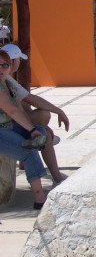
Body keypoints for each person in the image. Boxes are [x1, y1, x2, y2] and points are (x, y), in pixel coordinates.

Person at [2, 44, 68, 184]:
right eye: (19, 59)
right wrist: (34, 128)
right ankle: (57, 179)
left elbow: (26, 104)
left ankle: (53, 176)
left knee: (43, 128)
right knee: (44, 117)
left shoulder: (8, 79)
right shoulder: (5, 79)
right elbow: (23, 106)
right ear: (14, 61)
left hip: (11, 122)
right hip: (6, 125)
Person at [0, 50, 48, 209]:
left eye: (4, 65)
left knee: (42, 131)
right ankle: (39, 197)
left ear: (10, 66)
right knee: (29, 152)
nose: (1, 68)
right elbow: (12, 111)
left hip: (9, 126)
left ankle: (34, 142)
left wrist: (35, 130)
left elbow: (19, 110)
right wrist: (32, 131)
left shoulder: (6, 82)